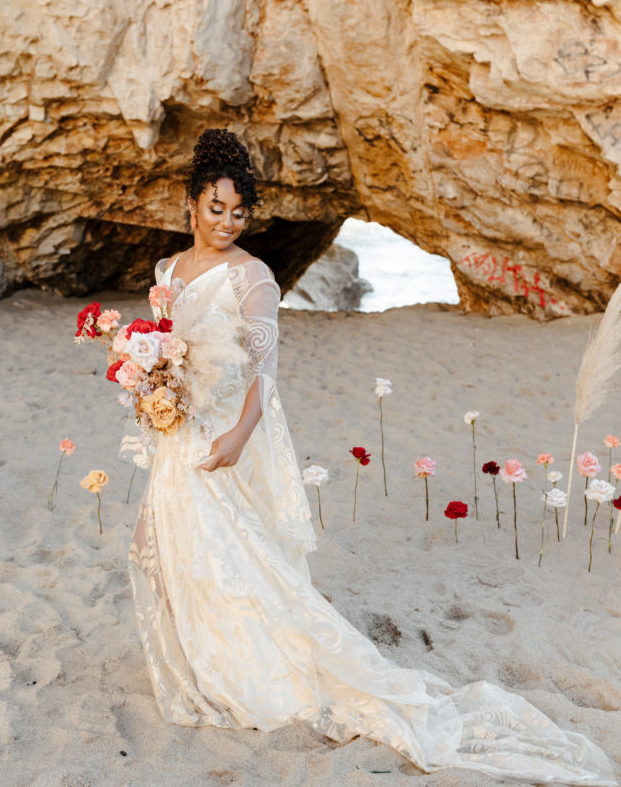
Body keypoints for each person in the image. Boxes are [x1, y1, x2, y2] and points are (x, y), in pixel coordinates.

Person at [127, 128, 615, 785]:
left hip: (224, 430)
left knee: (232, 552)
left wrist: (238, 437)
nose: (227, 222)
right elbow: (161, 343)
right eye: (216, 208)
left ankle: (250, 665)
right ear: (191, 205)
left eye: (239, 211)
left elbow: (262, 373)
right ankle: (198, 652)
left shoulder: (253, 276)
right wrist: (145, 381)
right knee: (170, 543)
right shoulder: (168, 272)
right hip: (174, 428)